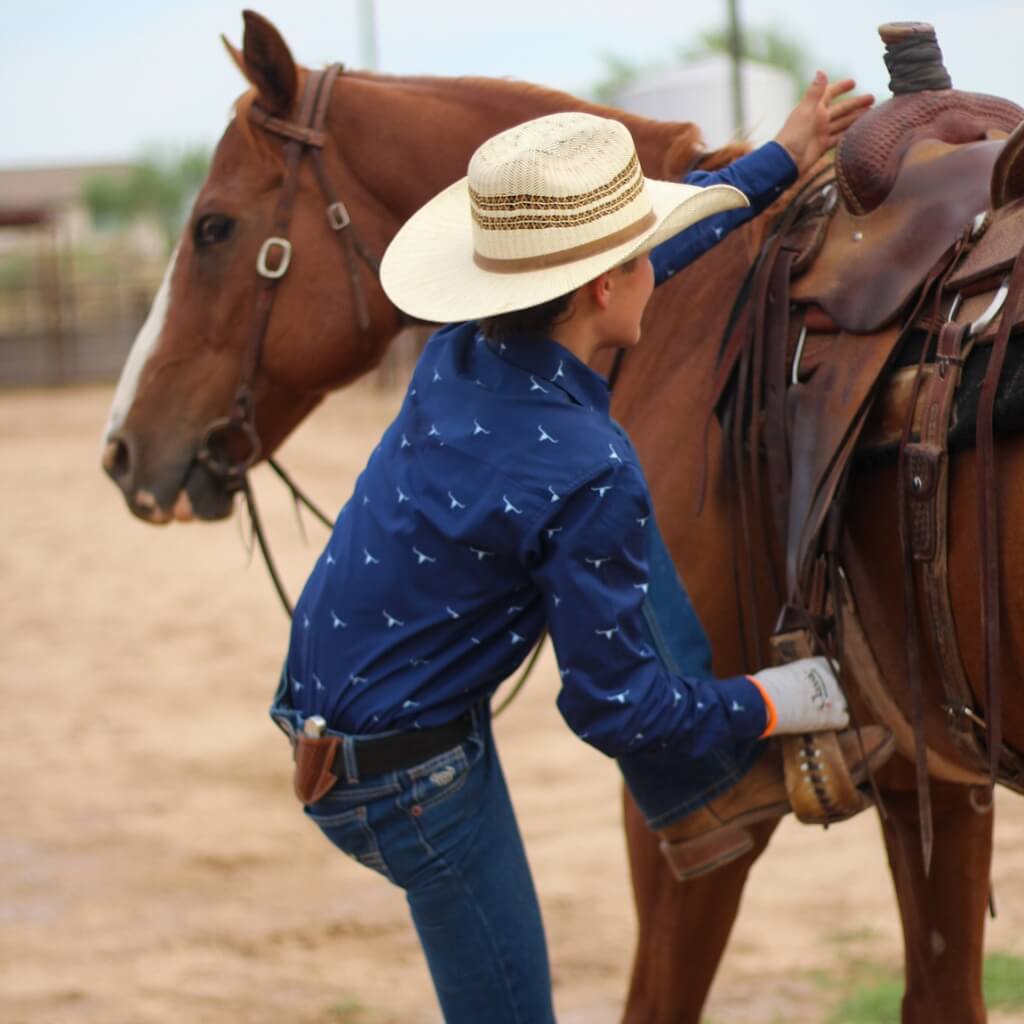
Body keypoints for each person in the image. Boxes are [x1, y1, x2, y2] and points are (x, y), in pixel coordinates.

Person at [271, 73, 888, 1023]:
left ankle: (709, 792)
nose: (657, 266)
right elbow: (616, 710)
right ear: (604, 286)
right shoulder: (586, 468)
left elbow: (658, 256)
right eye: (637, 255)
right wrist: (769, 701)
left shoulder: (464, 349)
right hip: (412, 781)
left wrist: (779, 160)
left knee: (608, 538)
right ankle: (717, 781)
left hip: (336, 722)